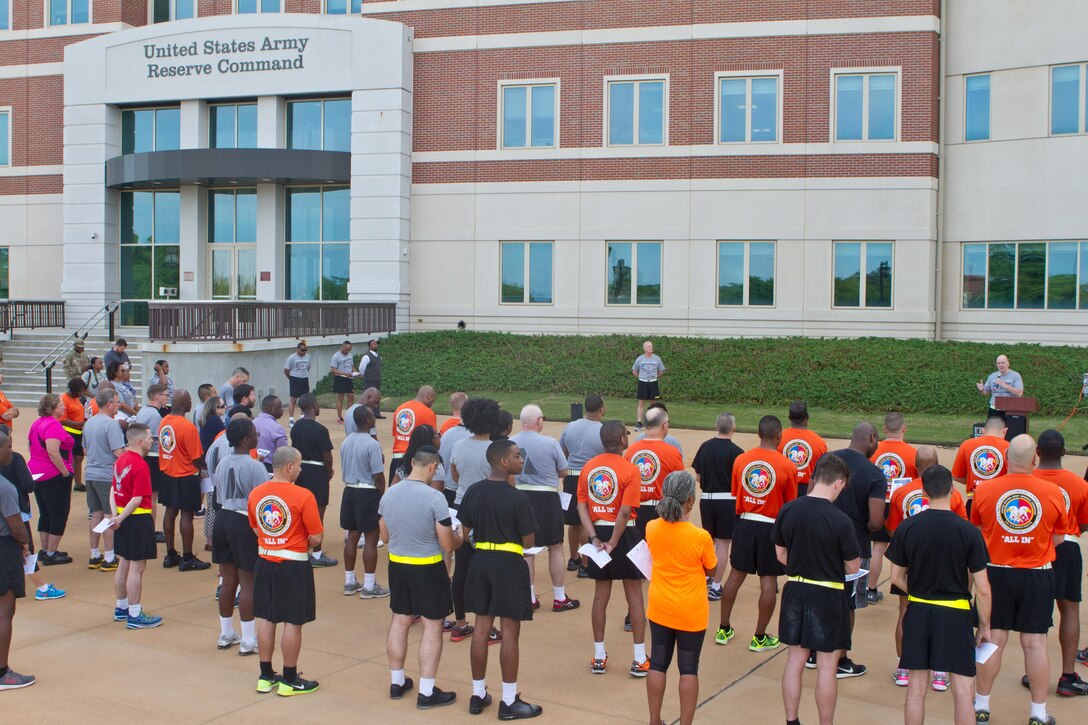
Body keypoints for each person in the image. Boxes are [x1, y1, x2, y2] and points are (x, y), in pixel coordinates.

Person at [971, 434, 1068, 725]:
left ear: (1006, 459)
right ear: (1035, 458)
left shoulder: (985, 490)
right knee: (1036, 644)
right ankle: (1038, 713)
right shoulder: (1052, 492)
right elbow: (1060, 537)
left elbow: (977, 531)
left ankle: (981, 706)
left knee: (992, 640)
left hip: (996, 573)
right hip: (1037, 575)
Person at [887, 464, 992, 725]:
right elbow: (983, 588)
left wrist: (919, 592)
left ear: (924, 491)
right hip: (956, 613)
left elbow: (897, 577)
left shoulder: (908, 527)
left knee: (916, 687)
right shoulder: (968, 531)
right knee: (963, 689)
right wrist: (984, 626)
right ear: (952, 490)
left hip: (919, 610)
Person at [773, 454, 860, 725]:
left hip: (796, 590)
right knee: (826, 666)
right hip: (828, 595)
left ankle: (791, 720)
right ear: (838, 483)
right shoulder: (841, 520)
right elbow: (853, 566)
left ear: (814, 478)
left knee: (794, 661)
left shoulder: (788, 510)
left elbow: (780, 554)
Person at [460, 439, 543, 719]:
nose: (522, 460)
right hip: (508, 563)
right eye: (518, 456)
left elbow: (464, 530)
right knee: (510, 632)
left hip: (480, 561)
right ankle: (508, 702)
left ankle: (477, 693)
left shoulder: (473, 491)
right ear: (503, 462)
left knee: (481, 629)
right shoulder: (517, 497)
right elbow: (528, 539)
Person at [380, 445, 462, 709]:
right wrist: (460, 537)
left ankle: (397, 681)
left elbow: (384, 537)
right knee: (432, 625)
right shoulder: (435, 498)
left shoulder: (390, 495)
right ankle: (427, 691)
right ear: (432, 467)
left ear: (412, 461)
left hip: (398, 565)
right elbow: (447, 544)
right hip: (428, 567)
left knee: (400, 620)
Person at [886, 445, 968, 690]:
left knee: (905, 613)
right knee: (942, 615)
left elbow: (893, 529)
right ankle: (940, 671)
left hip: (910, 563)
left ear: (915, 466)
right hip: (944, 565)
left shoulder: (902, 492)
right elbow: (962, 530)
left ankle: (903, 667)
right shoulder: (953, 496)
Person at [716, 415, 797, 652]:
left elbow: (735, 492)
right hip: (771, 526)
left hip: (744, 523)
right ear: (779, 435)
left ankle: (723, 628)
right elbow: (790, 504)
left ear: (759, 434)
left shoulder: (741, 460)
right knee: (769, 582)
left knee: (735, 576)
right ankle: (759, 637)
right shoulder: (787, 465)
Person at [248, 446, 323, 697]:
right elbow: (316, 536)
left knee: (267, 618)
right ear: (290, 467)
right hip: (293, 563)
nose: (300, 470)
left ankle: (265, 675)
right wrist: (297, 541)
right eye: (299, 465)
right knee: (293, 620)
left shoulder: (256, 493)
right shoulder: (303, 496)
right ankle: (289, 678)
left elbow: (257, 529)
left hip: (265, 559)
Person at [644, 471, 716, 725]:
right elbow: (712, 569)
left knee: (658, 663)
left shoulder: (652, 527)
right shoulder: (700, 536)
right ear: (690, 502)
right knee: (688, 668)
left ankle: (654, 719)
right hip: (690, 610)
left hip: (660, 605)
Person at [577, 420, 648, 676]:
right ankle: (639, 658)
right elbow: (626, 511)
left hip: (599, 530)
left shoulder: (588, 468)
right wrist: (615, 542)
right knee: (635, 595)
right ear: (622, 440)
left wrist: (595, 537)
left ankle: (598, 656)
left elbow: (581, 506)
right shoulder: (630, 469)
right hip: (625, 533)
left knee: (600, 596)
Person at [1029, 429, 1088, 696]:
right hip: (1067, 548)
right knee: (1070, 610)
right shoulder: (1080, 484)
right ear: (1064, 452)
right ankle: (1067, 676)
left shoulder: (1026, 479)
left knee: (1037, 613)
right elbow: (1084, 524)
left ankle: (1035, 670)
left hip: (1034, 549)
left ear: (1037, 453)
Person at [825, 422, 884, 678]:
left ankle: (816, 653)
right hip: (856, 546)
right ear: (871, 438)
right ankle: (840, 659)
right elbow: (876, 521)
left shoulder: (827, 461)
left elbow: (811, 496)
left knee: (822, 596)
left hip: (822, 542)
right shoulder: (875, 474)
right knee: (848, 604)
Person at [511, 404, 579, 613]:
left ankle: (529, 597)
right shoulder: (549, 442)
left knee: (527, 549)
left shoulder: (511, 442)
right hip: (547, 497)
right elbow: (564, 471)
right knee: (555, 546)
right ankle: (559, 596)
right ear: (539, 421)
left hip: (520, 496)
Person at [211, 418, 267, 655]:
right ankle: (247, 639)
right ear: (246, 439)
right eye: (255, 434)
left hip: (223, 518)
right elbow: (264, 498)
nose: (257, 437)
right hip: (244, 520)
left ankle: (225, 633)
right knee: (248, 582)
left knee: (227, 580)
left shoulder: (223, 462)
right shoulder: (255, 466)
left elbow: (219, 494)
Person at [449, 398, 503, 641]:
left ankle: (460, 622)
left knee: (462, 567)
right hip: (489, 510)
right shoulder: (496, 449)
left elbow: (455, 474)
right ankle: (487, 626)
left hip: (462, 506)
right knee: (489, 569)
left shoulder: (459, 445)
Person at [107, 423, 163, 630]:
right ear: (140, 441)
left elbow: (113, 489)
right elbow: (138, 498)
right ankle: (135, 613)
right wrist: (120, 518)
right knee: (137, 568)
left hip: (122, 515)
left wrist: (116, 515)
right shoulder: (140, 465)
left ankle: (121, 607)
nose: (152, 441)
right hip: (137, 519)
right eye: (149, 438)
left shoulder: (120, 460)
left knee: (124, 562)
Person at [0, 424, 64, 602]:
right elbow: (28, 485)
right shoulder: (15, 459)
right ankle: (42, 587)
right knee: (26, 550)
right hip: (16, 512)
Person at [867, 412, 918, 604]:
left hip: (879, 503)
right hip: (903, 504)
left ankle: (871, 590)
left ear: (885, 429)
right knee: (906, 549)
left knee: (878, 548)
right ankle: (909, 587)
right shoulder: (913, 453)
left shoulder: (874, 451)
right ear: (904, 429)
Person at [692, 412, 743, 602]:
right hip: (727, 501)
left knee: (709, 540)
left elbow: (698, 477)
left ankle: (705, 575)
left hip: (707, 500)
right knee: (723, 544)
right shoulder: (737, 452)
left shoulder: (705, 447)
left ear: (716, 426)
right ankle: (715, 585)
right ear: (733, 428)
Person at [158, 390, 211, 571]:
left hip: (167, 472)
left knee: (170, 512)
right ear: (184, 403)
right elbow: (197, 457)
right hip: (186, 475)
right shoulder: (188, 427)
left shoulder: (164, 422)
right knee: (187, 515)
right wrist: (205, 469)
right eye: (189, 400)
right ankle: (187, 558)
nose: (191, 403)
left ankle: (170, 554)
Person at [0, 430, 36, 689]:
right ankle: (2, 673)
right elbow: (15, 525)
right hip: (5, 549)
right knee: (5, 612)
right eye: (8, 447)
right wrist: (24, 544)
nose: (12, 452)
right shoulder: (5, 488)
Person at [340, 405, 387, 598]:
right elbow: (377, 475)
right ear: (368, 421)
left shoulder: (346, 441)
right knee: (371, 538)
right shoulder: (372, 444)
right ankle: (369, 586)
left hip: (349, 490)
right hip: (367, 492)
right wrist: (382, 495)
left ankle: (349, 581)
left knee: (352, 536)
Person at [560, 394, 605, 577]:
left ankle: (573, 558)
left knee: (573, 521)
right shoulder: (602, 430)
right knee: (588, 520)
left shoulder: (570, 426)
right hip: (591, 477)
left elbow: (562, 452)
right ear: (601, 409)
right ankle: (586, 565)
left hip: (571, 477)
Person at [81, 389, 126, 572]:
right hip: (107, 475)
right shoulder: (111, 424)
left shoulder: (89, 423)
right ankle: (109, 556)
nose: (119, 404)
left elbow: (85, 450)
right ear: (108, 404)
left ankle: (94, 554)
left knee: (95, 514)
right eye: (116, 401)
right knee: (109, 515)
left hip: (91, 473)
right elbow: (118, 452)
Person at [290, 394, 336, 568]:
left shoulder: (296, 427)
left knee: (302, 511)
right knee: (318, 512)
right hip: (317, 472)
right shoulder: (320, 430)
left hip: (301, 471)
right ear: (314, 406)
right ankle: (316, 554)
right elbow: (327, 457)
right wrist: (329, 470)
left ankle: (302, 550)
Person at [27, 394, 74, 565]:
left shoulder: (37, 422)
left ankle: (46, 550)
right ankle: (51, 553)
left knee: (45, 512)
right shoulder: (53, 425)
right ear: (53, 408)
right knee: (58, 513)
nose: (64, 407)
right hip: (53, 474)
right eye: (61, 405)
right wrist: (64, 472)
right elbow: (53, 451)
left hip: (36, 472)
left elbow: (30, 445)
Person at [624, 407, 684, 538]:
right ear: (664, 425)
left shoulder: (630, 451)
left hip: (634, 510)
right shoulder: (672, 452)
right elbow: (680, 487)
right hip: (661, 511)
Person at [952, 416, 1009, 517]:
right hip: (998, 501)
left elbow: (956, 476)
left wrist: (976, 482)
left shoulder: (966, 445)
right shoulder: (1009, 447)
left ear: (983, 430)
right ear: (1005, 431)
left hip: (974, 500)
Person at [134, 384, 168, 542]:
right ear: (157, 396)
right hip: (151, 457)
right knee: (152, 497)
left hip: (145, 456)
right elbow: (152, 441)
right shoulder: (154, 415)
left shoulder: (143, 410)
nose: (166, 398)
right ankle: (151, 530)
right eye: (164, 395)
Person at [778, 400, 828, 497]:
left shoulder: (778, 438)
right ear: (807, 417)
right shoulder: (820, 443)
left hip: (783, 487)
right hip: (807, 491)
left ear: (789, 418)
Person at [391, 386, 438, 483]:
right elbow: (431, 439)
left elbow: (395, 434)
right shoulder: (428, 412)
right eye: (432, 401)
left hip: (396, 458)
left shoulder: (399, 409)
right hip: (415, 460)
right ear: (429, 396)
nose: (432, 404)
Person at [60, 377, 96, 493]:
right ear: (73, 390)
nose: (81, 393)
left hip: (79, 433)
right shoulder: (64, 399)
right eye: (80, 391)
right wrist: (81, 423)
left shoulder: (77, 399)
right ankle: (66, 482)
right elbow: (63, 420)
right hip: (68, 433)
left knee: (78, 458)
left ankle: (78, 483)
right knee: (68, 460)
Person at [976, 354, 1024, 419]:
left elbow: (1019, 393)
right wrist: (981, 389)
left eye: (1003, 363)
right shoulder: (992, 376)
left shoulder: (1015, 375)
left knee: (1011, 429)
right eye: (999, 363)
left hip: (1010, 410)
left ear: (1008, 363)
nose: (1001, 365)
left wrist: (1005, 385)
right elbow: (986, 392)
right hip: (994, 410)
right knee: (993, 429)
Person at [632, 341, 665, 432]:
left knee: (653, 404)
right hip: (642, 382)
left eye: (651, 346)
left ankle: (654, 421)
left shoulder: (657, 359)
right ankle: (639, 423)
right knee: (641, 403)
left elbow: (661, 371)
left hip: (653, 383)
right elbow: (634, 371)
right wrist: (642, 377)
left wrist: (654, 377)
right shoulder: (640, 359)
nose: (651, 347)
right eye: (649, 346)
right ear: (645, 348)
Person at [253, 396, 288, 470]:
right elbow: (283, 454)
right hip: (270, 468)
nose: (282, 410)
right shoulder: (277, 429)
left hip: (253, 465)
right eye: (279, 407)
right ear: (270, 408)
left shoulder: (252, 423)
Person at [283, 342, 311, 426]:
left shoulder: (308, 356)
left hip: (304, 379)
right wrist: (291, 378)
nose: (304, 352)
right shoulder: (292, 358)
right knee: (293, 400)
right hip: (295, 379)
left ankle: (303, 417)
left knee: (303, 400)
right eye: (302, 350)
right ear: (298, 349)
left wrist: (303, 374)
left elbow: (308, 367)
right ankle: (291, 419)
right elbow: (286, 370)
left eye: (305, 350)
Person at [329, 340, 355, 424]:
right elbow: (333, 370)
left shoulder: (350, 355)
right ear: (343, 347)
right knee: (340, 398)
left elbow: (351, 366)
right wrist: (344, 373)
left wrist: (355, 372)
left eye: (349, 349)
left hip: (349, 379)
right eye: (347, 349)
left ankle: (349, 416)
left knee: (351, 396)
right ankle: (339, 418)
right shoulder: (336, 356)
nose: (348, 351)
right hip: (340, 378)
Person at [358, 339, 383, 419]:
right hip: (369, 380)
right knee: (367, 397)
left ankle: (376, 413)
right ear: (369, 346)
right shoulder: (366, 356)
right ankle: (366, 414)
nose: (376, 345)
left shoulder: (379, 356)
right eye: (373, 344)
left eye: (376, 344)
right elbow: (361, 369)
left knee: (377, 396)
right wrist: (365, 375)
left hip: (377, 379)